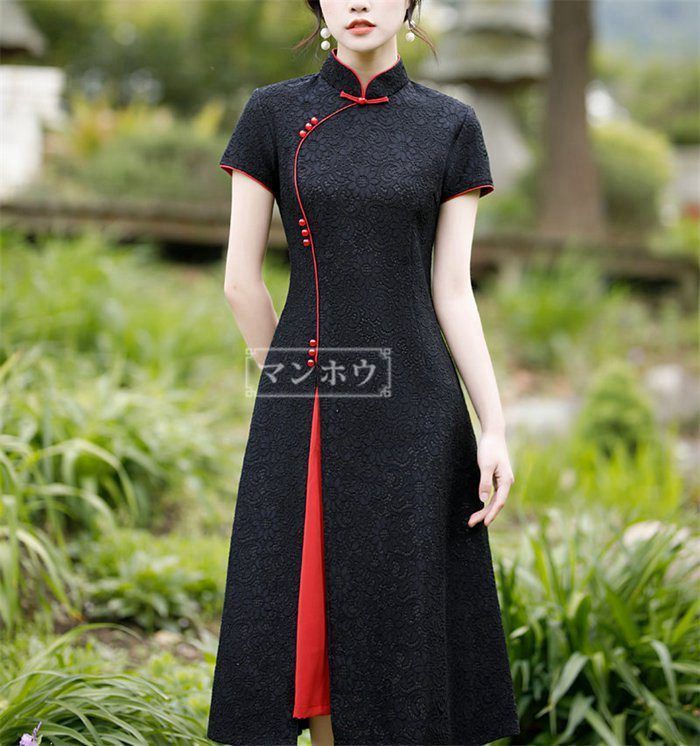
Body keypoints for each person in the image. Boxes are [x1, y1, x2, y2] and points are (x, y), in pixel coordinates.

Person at [207, 1, 520, 745]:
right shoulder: (273, 114)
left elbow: (453, 288)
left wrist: (494, 425)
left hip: (419, 412)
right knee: (313, 615)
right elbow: (239, 283)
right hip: (314, 408)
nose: (356, 2)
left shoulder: (451, 125)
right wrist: (295, 390)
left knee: (399, 617)